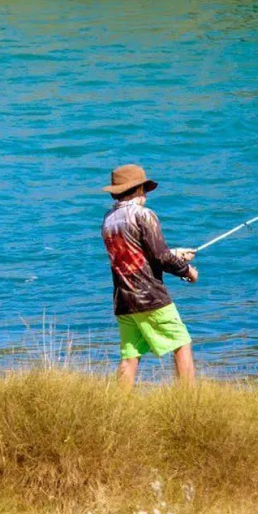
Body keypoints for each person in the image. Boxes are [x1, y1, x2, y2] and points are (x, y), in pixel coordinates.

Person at [100, 163, 198, 387]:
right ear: (137, 189)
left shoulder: (108, 220)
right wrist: (187, 271)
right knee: (181, 343)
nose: (145, 194)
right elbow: (161, 257)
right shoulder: (144, 215)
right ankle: (189, 398)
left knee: (130, 356)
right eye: (144, 189)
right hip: (149, 297)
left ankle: (118, 403)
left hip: (123, 299)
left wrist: (175, 253)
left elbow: (133, 254)